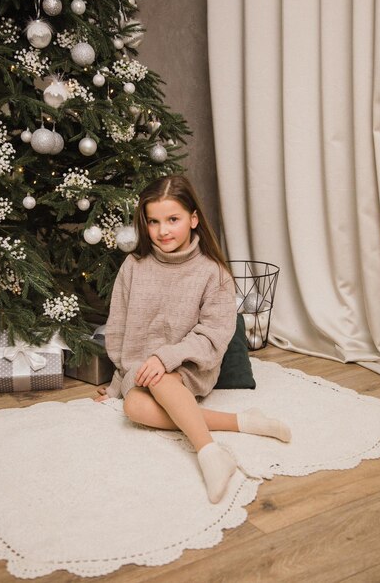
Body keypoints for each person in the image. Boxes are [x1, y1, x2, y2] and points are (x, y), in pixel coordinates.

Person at [96, 175, 291, 503]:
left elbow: (213, 334)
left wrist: (166, 358)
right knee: (133, 406)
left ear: (193, 219)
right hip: (144, 371)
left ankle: (208, 453)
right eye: (153, 221)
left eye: (173, 219)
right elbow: (118, 327)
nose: (163, 231)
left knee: (161, 379)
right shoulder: (134, 266)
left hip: (190, 367)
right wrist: (118, 383)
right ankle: (244, 422)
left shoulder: (212, 272)